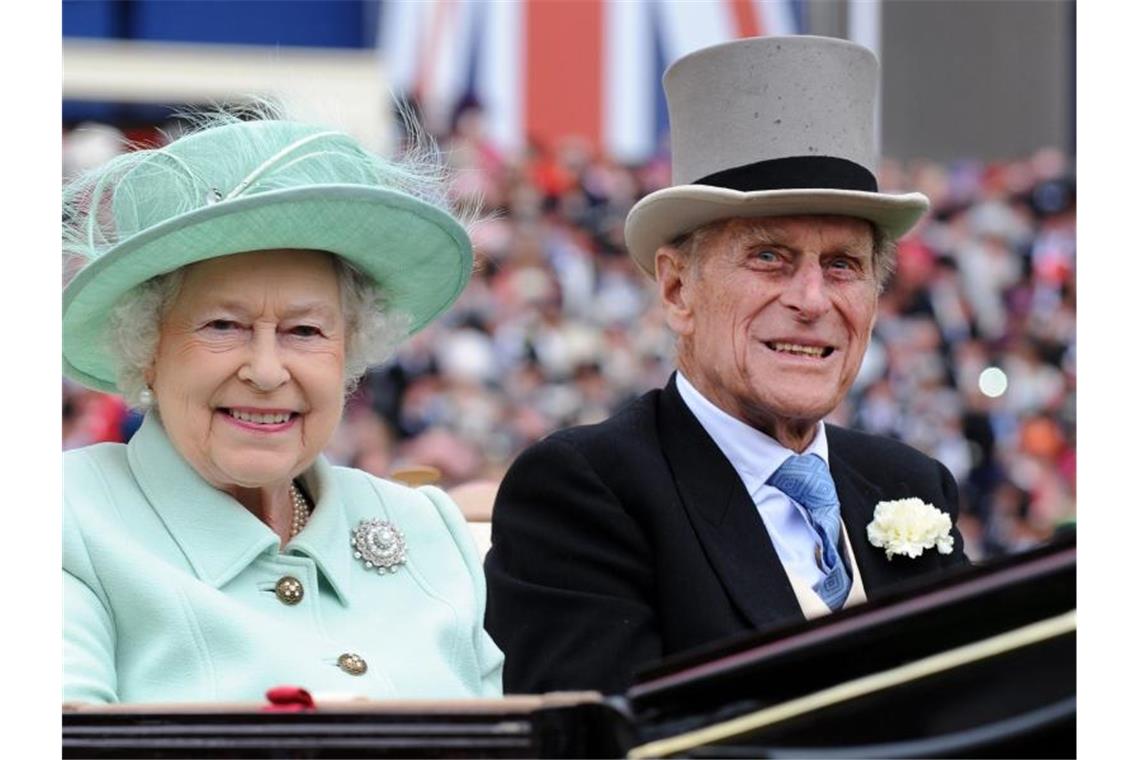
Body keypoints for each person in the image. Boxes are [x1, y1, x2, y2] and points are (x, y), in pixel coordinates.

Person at [484, 35, 970, 694]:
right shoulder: (589, 490)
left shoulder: (910, 483)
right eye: (769, 256)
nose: (810, 300)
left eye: (843, 265)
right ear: (678, 290)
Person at [62, 108, 503, 704]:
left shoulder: (428, 529)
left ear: (349, 353)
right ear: (146, 349)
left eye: (305, 331)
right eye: (223, 325)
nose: (268, 372)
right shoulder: (61, 521)